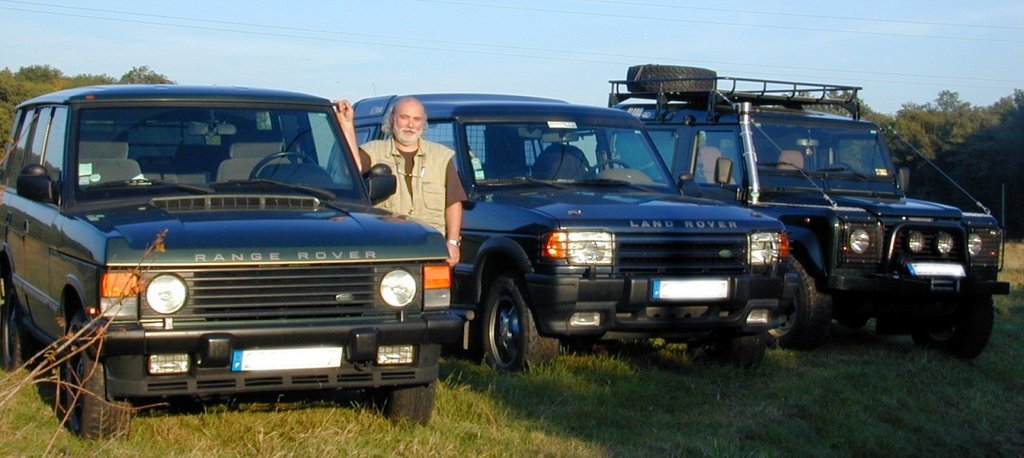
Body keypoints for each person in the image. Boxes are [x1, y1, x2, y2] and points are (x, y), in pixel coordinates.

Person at [335, 97, 466, 266]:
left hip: (431, 250)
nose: (410, 125)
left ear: (423, 123)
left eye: (416, 119)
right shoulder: (374, 150)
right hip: (387, 250)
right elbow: (352, 169)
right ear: (392, 119)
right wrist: (346, 126)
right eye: (404, 117)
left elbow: (454, 202)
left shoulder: (442, 156)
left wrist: (453, 243)